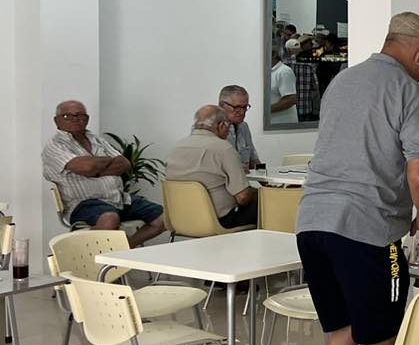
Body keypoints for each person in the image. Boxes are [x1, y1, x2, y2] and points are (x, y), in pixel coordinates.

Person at [295, 12, 419, 345]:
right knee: (381, 334)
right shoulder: (408, 91)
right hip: (367, 229)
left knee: (339, 327)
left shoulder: (342, 81)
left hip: (312, 223)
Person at [43, 100, 167, 246]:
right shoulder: (54, 146)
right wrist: (100, 164)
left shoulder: (97, 140)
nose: (75, 119)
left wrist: (94, 170)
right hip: (82, 204)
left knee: (165, 218)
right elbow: (86, 168)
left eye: (80, 115)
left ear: (87, 119)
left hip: (118, 199)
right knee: (109, 219)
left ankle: (124, 249)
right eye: (67, 116)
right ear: (56, 120)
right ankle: (78, 251)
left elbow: (125, 163)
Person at [165, 105, 258, 228]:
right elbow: (243, 197)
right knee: (268, 203)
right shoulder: (223, 149)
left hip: (181, 219)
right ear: (221, 126)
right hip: (220, 221)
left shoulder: (176, 147)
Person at [218, 85, 260, 169]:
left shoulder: (244, 126)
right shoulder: (212, 129)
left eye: (245, 107)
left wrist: (266, 180)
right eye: (237, 107)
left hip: (242, 180)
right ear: (222, 105)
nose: (242, 112)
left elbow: (254, 160)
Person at [269, 46, 298, 126]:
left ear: (274, 54)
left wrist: (266, 110)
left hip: (283, 124)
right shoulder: (268, 71)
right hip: (271, 123)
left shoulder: (284, 72)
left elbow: (291, 99)